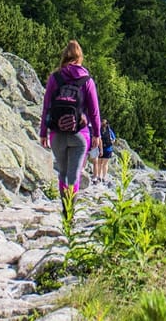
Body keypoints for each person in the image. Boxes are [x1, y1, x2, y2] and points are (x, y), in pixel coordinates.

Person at [39, 40, 101, 209]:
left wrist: (43, 132)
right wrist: (97, 134)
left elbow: (46, 107)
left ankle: (64, 207)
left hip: (56, 133)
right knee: (74, 175)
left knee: (63, 173)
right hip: (80, 134)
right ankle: (69, 213)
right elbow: (94, 111)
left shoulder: (55, 78)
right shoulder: (87, 80)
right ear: (80, 58)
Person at [94, 119, 115, 184]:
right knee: (105, 164)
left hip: (100, 148)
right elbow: (114, 139)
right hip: (108, 149)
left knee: (99, 163)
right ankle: (104, 177)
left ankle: (99, 177)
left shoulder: (98, 130)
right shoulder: (109, 130)